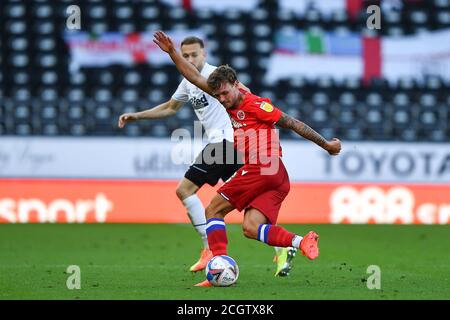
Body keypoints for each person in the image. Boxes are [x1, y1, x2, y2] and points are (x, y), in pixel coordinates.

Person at [153, 31, 342, 287]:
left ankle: (218, 264)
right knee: (251, 228)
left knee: (213, 210)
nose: (221, 99)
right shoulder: (227, 98)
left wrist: (326, 145)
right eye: (217, 96)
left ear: (236, 84)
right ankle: (301, 242)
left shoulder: (255, 105)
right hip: (276, 176)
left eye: (224, 94)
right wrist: (172, 53)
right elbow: (195, 77)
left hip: (262, 167)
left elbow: (292, 123)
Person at [118, 36, 297, 276]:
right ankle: (280, 247)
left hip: (224, 143)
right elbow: (171, 108)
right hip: (232, 149)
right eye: (186, 56)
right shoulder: (187, 82)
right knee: (248, 208)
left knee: (185, 190)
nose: (190, 59)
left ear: (205, 54)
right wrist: (137, 116)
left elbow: (246, 95)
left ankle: (209, 250)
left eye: (194, 54)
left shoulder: (217, 78)